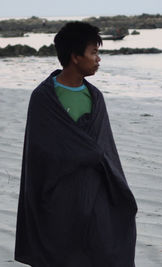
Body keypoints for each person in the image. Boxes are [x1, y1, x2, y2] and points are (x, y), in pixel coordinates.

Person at [14, 22, 137, 267]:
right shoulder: (43, 98)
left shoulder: (96, 97)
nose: (98, 59)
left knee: (105, 249)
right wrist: (84, 152)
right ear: (75, 56)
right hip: (59, 196)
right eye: (93, 53)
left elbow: (105, 150)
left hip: (97, 192)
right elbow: (39, 154)